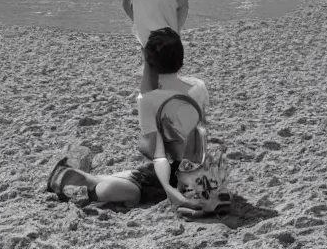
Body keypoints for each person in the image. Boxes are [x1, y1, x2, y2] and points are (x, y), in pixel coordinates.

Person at [45, 28, 207, 214]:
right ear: (182, 59)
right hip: (184, 167)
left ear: (149, 64)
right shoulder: (199, 87)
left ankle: (81, 178)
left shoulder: (149, 100)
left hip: (166, 167)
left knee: (134, 185)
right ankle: (84, 179)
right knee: (135, 191)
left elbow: (155, 150)